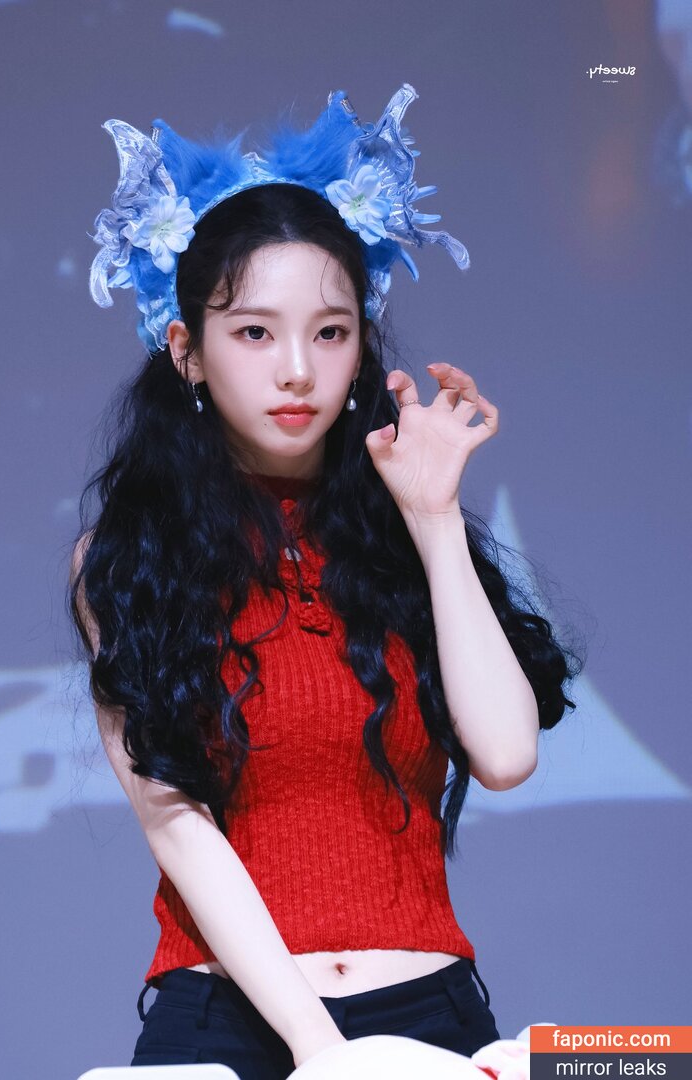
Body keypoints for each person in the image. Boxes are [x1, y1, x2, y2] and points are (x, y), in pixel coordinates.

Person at [69, 84, 583, 1079]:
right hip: (228, 1026)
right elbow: (175, 821)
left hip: (428, 1017)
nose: (298, 370)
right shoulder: (127, 558)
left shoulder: (404, 531)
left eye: (330, 332)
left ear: (360, 347)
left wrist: (432, 519)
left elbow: (505, 753)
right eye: (254, 333)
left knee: (641, 1062)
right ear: (186, 351)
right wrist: (320, 1049)